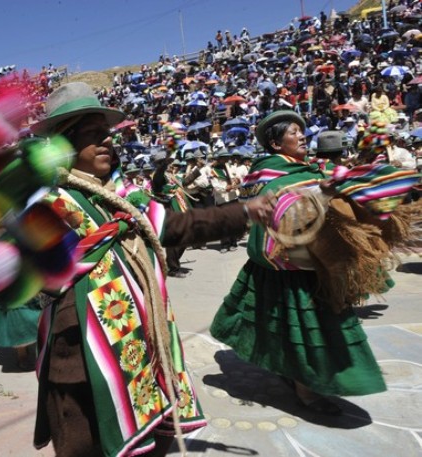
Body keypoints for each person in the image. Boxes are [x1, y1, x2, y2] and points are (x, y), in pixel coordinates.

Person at [29, 82, 275, 457]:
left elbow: (180, 225)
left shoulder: (123, 199)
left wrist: (244, 211)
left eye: (107, 135)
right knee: (81, 434)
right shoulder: (50, 202)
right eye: (94, 136)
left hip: (131, 337)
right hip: (77, 347)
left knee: (131, 419)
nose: (107, 143)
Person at [210, 110, 402, 416]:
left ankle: (296, 376)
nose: (302, 136)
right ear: (275, 143)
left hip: (312, 263)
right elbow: (280, 213)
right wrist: (320, 194)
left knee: (291, 329)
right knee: (306, 329)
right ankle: (308, 394)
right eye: (293, 132)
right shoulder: (266, 174)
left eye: (302, 131)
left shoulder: (308, 169)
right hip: (284, 266)